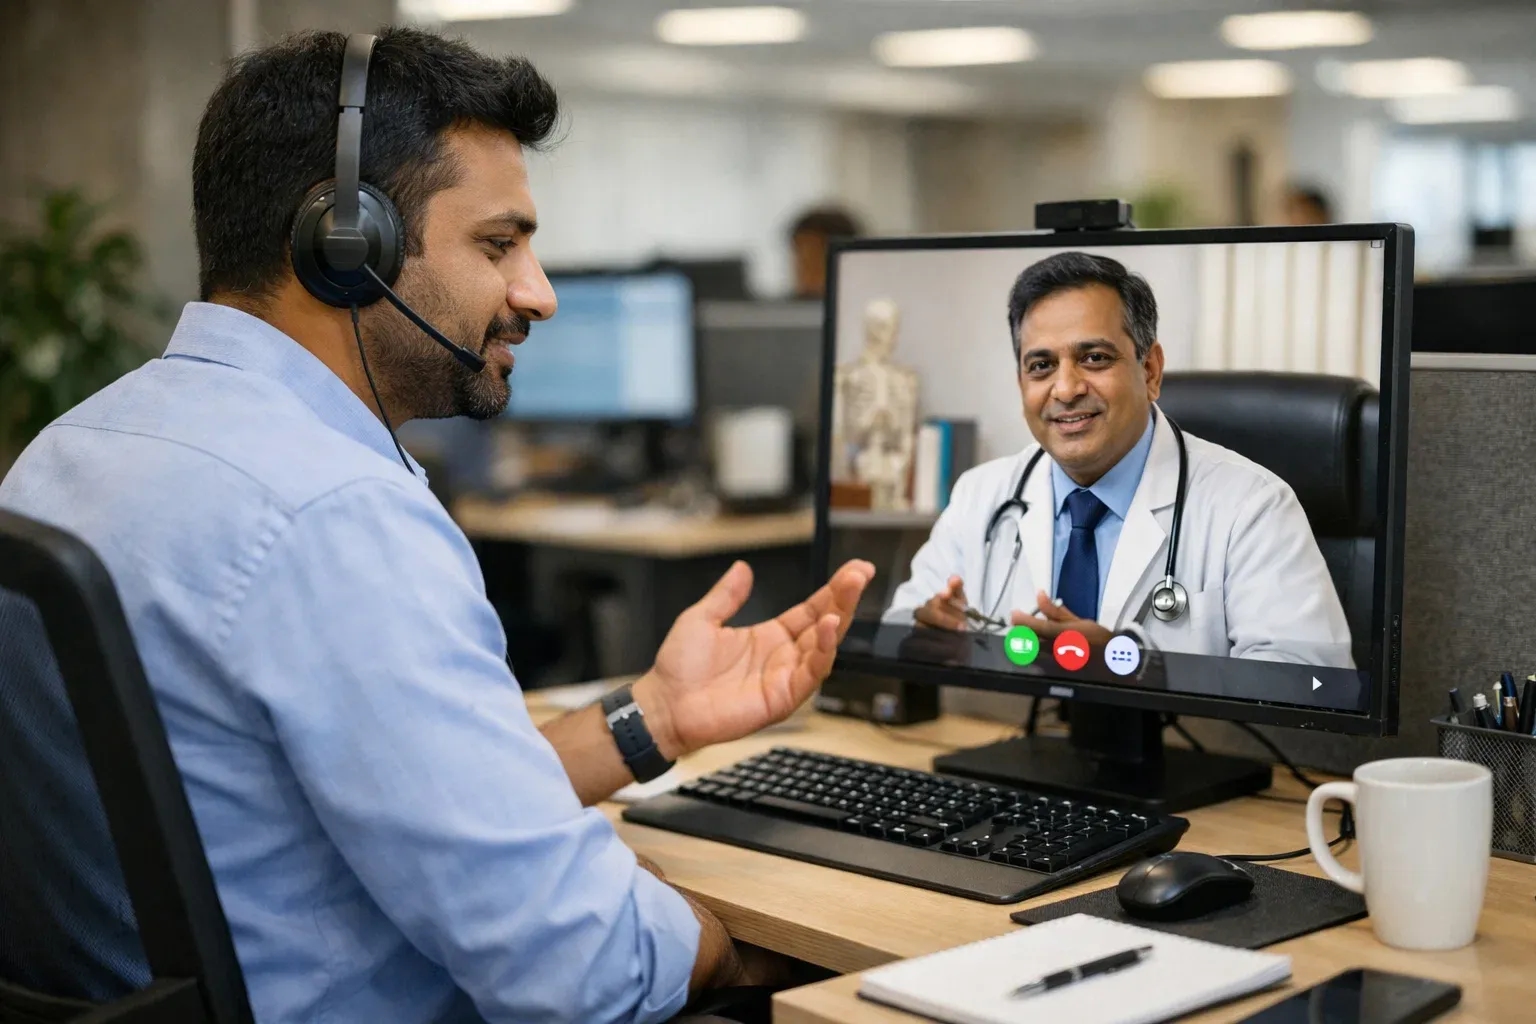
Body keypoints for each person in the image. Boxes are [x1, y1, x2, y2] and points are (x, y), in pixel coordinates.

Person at [0, 28, 874, 1024]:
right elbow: (587, 973)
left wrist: (655, 716)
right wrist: (731, 948)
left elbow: (394, 796)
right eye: (499, 245)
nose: (539, 293)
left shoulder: (70, 449)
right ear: (346, 244)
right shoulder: (336, 514)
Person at [881, 252, 1352, 668]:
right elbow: (896, 631)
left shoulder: (1252, 507)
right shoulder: (981, 495)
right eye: (1041, 366)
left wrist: (1138, 671)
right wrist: (922, 638)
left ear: (1150, 371)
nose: (1066, 389)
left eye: (1094, 358)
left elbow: (1313, 681)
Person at [788, 205, 862, 299]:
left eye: (814, 257)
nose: (804, 269)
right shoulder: (781, 306)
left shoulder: (862, 302)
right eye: (799, 255)